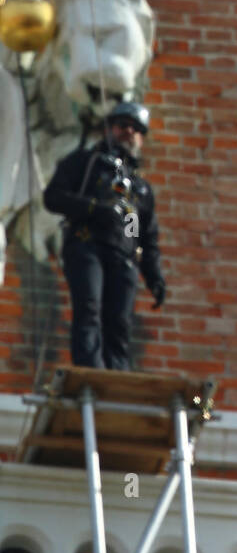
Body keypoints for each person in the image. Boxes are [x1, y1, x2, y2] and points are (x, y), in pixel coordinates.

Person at [43, 101, 166, 369]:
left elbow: (144, 235)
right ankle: (91, 371)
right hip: (88, 247)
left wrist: (154, 275)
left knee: (120, 322)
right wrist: (94, 208)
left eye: (136, 129)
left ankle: (117, 376)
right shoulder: (85, 163)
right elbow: (53, 197)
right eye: (123, 125)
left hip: (123, 257)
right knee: (89, 310)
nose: (129, 132)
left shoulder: (139, 188)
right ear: (109, 129)